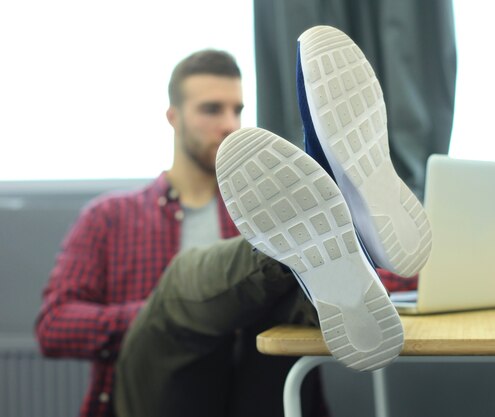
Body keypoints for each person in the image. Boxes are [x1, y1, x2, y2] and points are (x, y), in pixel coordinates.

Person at [36, 49, 327, 417]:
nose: (229, 125)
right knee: (184, 286)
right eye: (211, 109)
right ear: (173, 118)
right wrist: (152, 315)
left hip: (256, 392)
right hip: (159, 394)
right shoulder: (110, 216)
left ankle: (331, 253)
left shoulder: (255, 212)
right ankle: (292, 248)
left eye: (236, 110)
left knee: (276, 299)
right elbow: (54, 325)